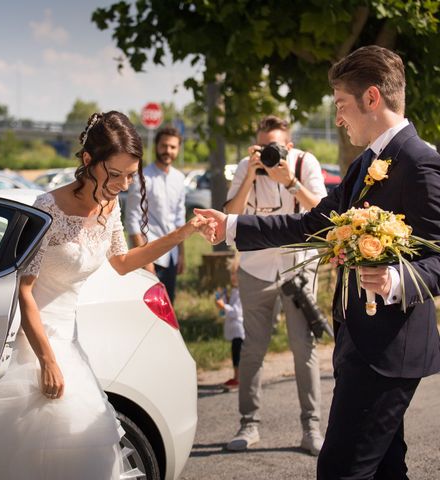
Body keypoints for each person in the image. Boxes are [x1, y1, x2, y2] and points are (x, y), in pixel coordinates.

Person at [195, 45, 440, 479]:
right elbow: (314, 224)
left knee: (340, 469)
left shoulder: (419, 161)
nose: (339, 118)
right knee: (386, 470)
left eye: (342, 105)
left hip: (389, 349)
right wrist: (232, 226)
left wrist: (397, 279)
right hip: (356, 341)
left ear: (371, 98)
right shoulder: (366, 162)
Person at [0, 111, 211, 480]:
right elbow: (25, 291)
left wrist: (183, 233)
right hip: (35, 345)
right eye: (115, 174)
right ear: (88, 161)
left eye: (130, 175)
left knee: (84, 453)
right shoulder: (47, 208)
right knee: (27, 458)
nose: (124, 184)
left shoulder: (109, 206)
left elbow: (124, 262)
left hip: (71, 340)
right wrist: (48, 361)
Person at [223, 115, 327, 455]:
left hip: (297, 269)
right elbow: (230, 217)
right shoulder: (246, 166)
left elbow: (324, 214)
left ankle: (311, 427)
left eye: (276, 146)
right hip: (255, 268)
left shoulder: (304, 163)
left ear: (289, 146)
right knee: (253, 348)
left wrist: (291, 181)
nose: (269, 152)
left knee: (304, 349)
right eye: (264, 146)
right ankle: (248, 424)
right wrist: (251, 174)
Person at [125, 125, 186, 303]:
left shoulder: (179, 179)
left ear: (178, 149)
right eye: (164, 145)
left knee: (168, 307)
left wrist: (182, 254)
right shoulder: (141, 177)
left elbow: (179, 219)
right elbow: (132, 220)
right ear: (156, 146)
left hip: (172, 256)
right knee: (146, 310)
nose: (168, 150)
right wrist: (146, 260)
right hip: (150, 256)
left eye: (173, 147)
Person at [215, 254, 245, 392]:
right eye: (232, 273)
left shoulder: (241, 292)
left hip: (240, 330)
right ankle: (237, 377)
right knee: (236, 354)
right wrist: (224, 301)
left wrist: (224, 307)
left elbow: (236, 312)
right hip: (235, 330)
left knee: (238, 354)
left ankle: (239, 378)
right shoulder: (234, 291)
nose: (233, 277)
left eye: (237, 273)